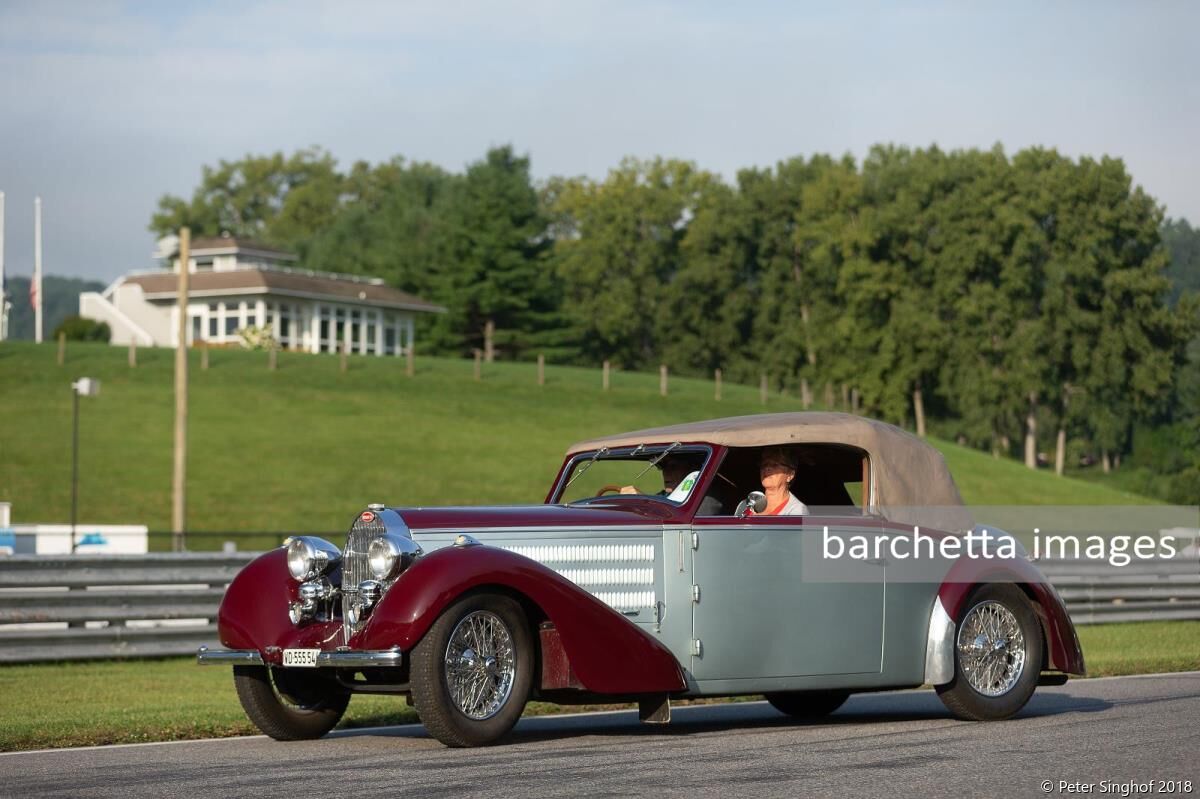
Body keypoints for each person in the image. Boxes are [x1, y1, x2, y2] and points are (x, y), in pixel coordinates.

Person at [620, 457, 724, 515]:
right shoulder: (663, 496)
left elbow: (682, 521)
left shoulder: (705, 497)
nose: (666, 472)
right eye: (662, 466)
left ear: (692, 468)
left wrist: (644, 504)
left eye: (673, 466)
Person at [754, 447, 809, 516]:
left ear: (790, 475)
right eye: (764, 464)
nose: (767, 468)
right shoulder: (750, 503)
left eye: (775, 464)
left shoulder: (797, 511)